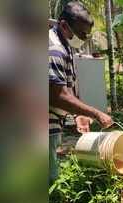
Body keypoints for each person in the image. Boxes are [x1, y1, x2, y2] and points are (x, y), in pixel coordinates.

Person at [49, 1, 113, 185]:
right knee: (48, 178)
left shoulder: (65, 44)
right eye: (81, 33)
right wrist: (95, 113)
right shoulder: (53, 50)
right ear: (63, 25)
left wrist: (77, 114)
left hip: (51, 121)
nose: (84, 38)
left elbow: (66, 88)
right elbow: (57, 95)